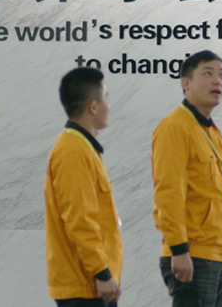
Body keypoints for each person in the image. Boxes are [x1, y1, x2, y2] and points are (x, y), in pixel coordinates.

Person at [152, 50, 222, 307]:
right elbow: (168, 193)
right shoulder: (175, 127)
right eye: (208, 73)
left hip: (217, 256)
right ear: (186, 83)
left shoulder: (211, 131)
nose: (217, 80)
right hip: (193, 255)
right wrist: (179, 249)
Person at [45, 67, 124, 307]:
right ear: (93, 107)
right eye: (106, 97)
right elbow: (80, 220)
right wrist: (101, 272)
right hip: (85, 286)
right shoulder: (72, 152)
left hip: (91, 284)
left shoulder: (82, 148)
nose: (109, 105)